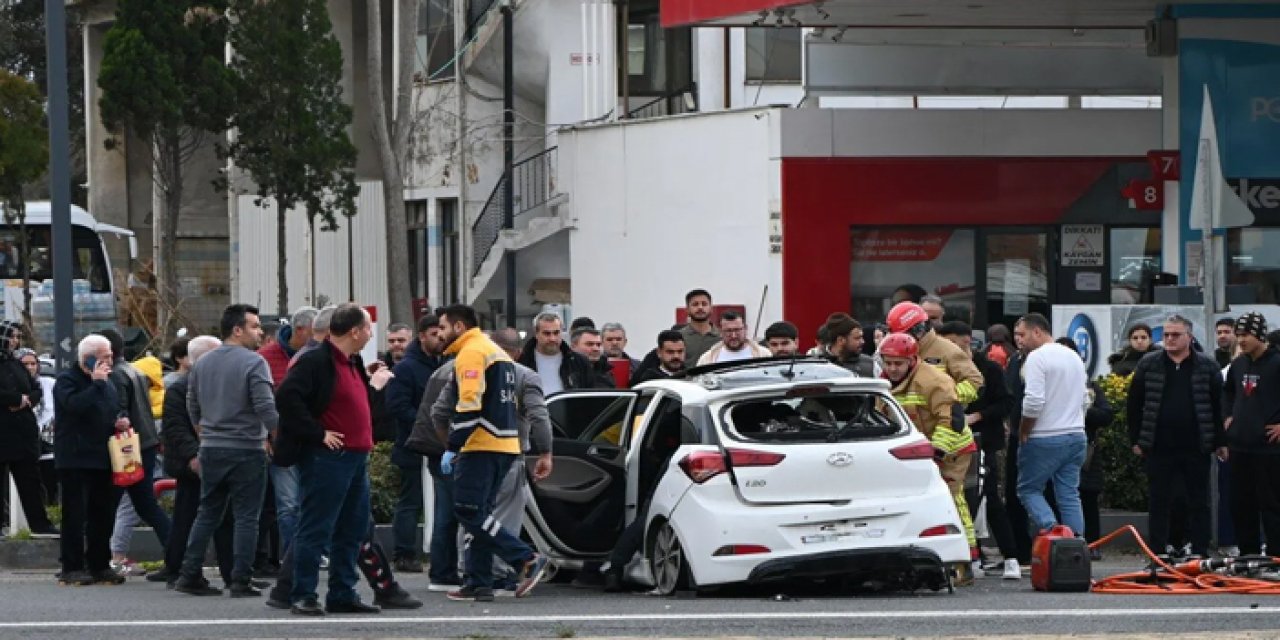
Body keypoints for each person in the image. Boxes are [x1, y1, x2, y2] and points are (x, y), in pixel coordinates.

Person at [276, 304, 394, 615]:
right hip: (328, 458)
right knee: (316, 526)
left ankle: (343, 592)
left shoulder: (351, 361)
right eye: (367, 328)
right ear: (355, 332)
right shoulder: (316, 359)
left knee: (352, 528)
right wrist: (317, 433)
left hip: (354, 456)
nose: (370, 334)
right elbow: (287, 397)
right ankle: (303, 593)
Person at [435, 304, 549, 602]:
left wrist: (453, 446)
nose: (440, 334)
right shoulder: (495, 352)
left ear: (459, 327)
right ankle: (479, 581)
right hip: (506, 445)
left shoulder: (472, 353)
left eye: (443, 328)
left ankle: (525, 557)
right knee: (480, 514)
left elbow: (470, 404)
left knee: (469, 512)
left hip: (482, 445)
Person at [174, 304, 277, 598]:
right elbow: (265, 406)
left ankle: (189, 574)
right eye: (255, 326)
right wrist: (278, 436)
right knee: (246, 516)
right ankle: (240, 578)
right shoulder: (254, 363)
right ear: (237, 329)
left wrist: (202, 431)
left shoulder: (203, 363)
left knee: (207, 512)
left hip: (212, 448)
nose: (260, 332)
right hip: (246, 448)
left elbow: (191, 403)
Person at [879, 332, 978, 585]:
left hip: (952, 447)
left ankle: (963, 562)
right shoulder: (883, 383)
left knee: (952, 499)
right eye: (887, 363)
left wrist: (937, 453)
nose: (892, 369)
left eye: (897, 364)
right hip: (919, 452)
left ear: (912, 360)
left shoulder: (933, 381)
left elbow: (951, 420)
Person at [1125, 315, 1226, 561]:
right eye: (1166, 334)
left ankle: (1199, 550)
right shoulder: (1149, 364)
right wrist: (1137, 439)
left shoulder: (1207, 366)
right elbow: (1134, 405)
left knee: (1198, 500)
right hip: (1158, 446)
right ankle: (1159, 550)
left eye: (1175, 335)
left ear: (1189, 337)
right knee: (1159, 500)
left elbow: (1218, 406)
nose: (1169, 339)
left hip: (1196, 445)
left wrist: (1220, 441)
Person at [156, 336, 241, 588]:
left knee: (225, 519)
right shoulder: (180, 389)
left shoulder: (218, 384)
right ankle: (180, 569)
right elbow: (176, 429)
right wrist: (194, 456)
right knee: (188, 516)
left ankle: (232, 573)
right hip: (192, 464)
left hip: (218, 458)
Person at [938, 321, 1018, 579]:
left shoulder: (989, 369)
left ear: (967, 342)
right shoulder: (938, 370)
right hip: (949, 443)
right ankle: (971, 557)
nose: (948, 349)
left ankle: (1011, 557)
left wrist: (978, 416)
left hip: (984, 440)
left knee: (989, 497)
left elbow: (1006, 402)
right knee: (958, 500)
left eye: (953, 343)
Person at [96, 329, 171, 578]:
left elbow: (118, 411)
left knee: (113, 502)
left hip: (126, 448)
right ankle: (176, 553)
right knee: (146, 504)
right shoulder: (134, 370)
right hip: (145, 443)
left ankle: (102, 559)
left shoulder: (116, 375)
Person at [53, 334, 123, 586]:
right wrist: (96, 384)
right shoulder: (67, 380)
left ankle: (99, 564)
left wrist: (119, 420)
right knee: (75, 514)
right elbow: (74, 406)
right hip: (75, 457)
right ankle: (71, 566)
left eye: (111, 356)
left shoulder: (108, 382)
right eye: (104, 357)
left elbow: (111, 407)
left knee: (102, 514)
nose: (110, 361)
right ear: (89, 359)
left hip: (103, 456)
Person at [1014, 313, 1088, 538]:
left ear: (1037, 331)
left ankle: (1055, 535)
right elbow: (1085, 399)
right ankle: (1076, 546)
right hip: (1076, 435)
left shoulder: (1037, 358)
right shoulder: (1073, 357)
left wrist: (1024, 429)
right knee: (1068, 493)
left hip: (1044, 436)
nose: (1020, 340)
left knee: (1028, 489)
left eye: (1023, 334)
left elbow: (1034, 401)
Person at [384, 314, 445, 572]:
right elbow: (396, 406)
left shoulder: (443, 363)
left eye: (442, 332)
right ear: (422, 337)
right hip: (414, 444)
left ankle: (438, 552)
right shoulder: (407, 368)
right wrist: (427, 424)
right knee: (411, 501)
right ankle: (404, 554)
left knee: (440, 499)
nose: (440, 337)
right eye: (434, 333)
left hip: (440, 444)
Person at [1222, 312, 1280, 558]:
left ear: (1259, 335)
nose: (1241, 340)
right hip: (1241, 447)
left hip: (1269, 448)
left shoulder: (1277, 362)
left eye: (1245, 335)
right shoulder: (1238, 364)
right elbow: (1227, 393)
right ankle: (1249, 555)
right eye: (1239, 335)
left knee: (1272, 505)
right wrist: (1227, 417)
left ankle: (1276, 556)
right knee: (1241, 504)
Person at [1055, 337, 1114, 556]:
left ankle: (1092, 544)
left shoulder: (1090, 386)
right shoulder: (1046, 384)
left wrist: (1083, 408)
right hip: (1056, 447)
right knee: (1058, 497)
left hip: (1085, 450)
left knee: (1087, 498)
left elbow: (1106, 415)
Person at [0, 329, 56, 535]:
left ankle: (40, 524)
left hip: (23, 433)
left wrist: (27, 400)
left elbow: (36, 389)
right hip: (3, 432)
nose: (14, 341)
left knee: (30, 481)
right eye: (11, 337)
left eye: (16, 337)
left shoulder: (16, 363)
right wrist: (15, 400)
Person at [887, 301, 984, 404]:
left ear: (918, 330)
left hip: (941, 417)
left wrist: (947, 396)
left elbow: (975, 381)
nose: (897, 340)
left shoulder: (947, 349)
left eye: (902, 335)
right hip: (901, 418)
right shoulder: (893, 350)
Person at [518, 313, 599, 395]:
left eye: (556, 333)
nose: (552, 338)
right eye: (547, 333)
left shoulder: (579, 362)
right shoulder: (522, 361)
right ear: (536, 334)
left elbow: (589, 395)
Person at [696, 311, 770, 365]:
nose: (733, 335)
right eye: (728, 331)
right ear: (721, 332)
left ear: (745, 329)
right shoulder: (707, 359)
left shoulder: (763, 355)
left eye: (737, 330)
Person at [679, 289, 721, 365]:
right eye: (695, 304)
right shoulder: (679, 337)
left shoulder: (721, 337)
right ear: (687, 310)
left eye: (704, 304)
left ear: (711, 308)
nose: (700, 307)